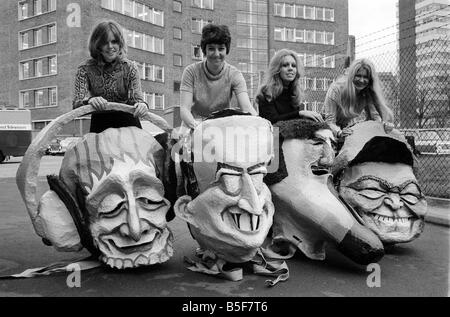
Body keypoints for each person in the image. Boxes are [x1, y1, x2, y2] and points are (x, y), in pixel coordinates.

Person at [73, 21, 148, 133]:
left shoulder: (130, 67)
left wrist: (142, 105)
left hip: (129, 127)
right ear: (97, 44)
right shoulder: (84, 69)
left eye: (114, 42)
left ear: (120, 43)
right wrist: (90, 100)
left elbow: (136, 100)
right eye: (104, 42)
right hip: (100, 126)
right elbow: (76, 104)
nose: (110, 47)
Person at [179, 24, 257, 130]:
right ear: (204, 50)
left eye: (221, 49)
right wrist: (198, 128)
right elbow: (184, 109)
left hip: (220, 125)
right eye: (211, 49)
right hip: (193, 123)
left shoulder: (235, 74)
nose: (216, 54)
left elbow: (247, 107)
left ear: (226, 50)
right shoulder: (191, 72)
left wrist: (260, 124)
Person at [323, 58, 394, 139]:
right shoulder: (336, 89)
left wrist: (385, 124)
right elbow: (329, 121)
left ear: (370, 80)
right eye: (358, 76)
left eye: (366, 77)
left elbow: (375, 117)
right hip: (326, 126)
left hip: (347, 126)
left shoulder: (368, 92)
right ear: (351, 76)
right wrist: (339, 132)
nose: (361, 80)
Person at [255, 49, 323, 124]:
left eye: (294, 66)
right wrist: (299, 113)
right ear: (277, 69)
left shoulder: (295, 92)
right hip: (273, 133)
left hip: (291, 133)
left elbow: (294, 122)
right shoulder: (266, 92)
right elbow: (272, 121)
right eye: (285, 65)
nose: (290, 68)